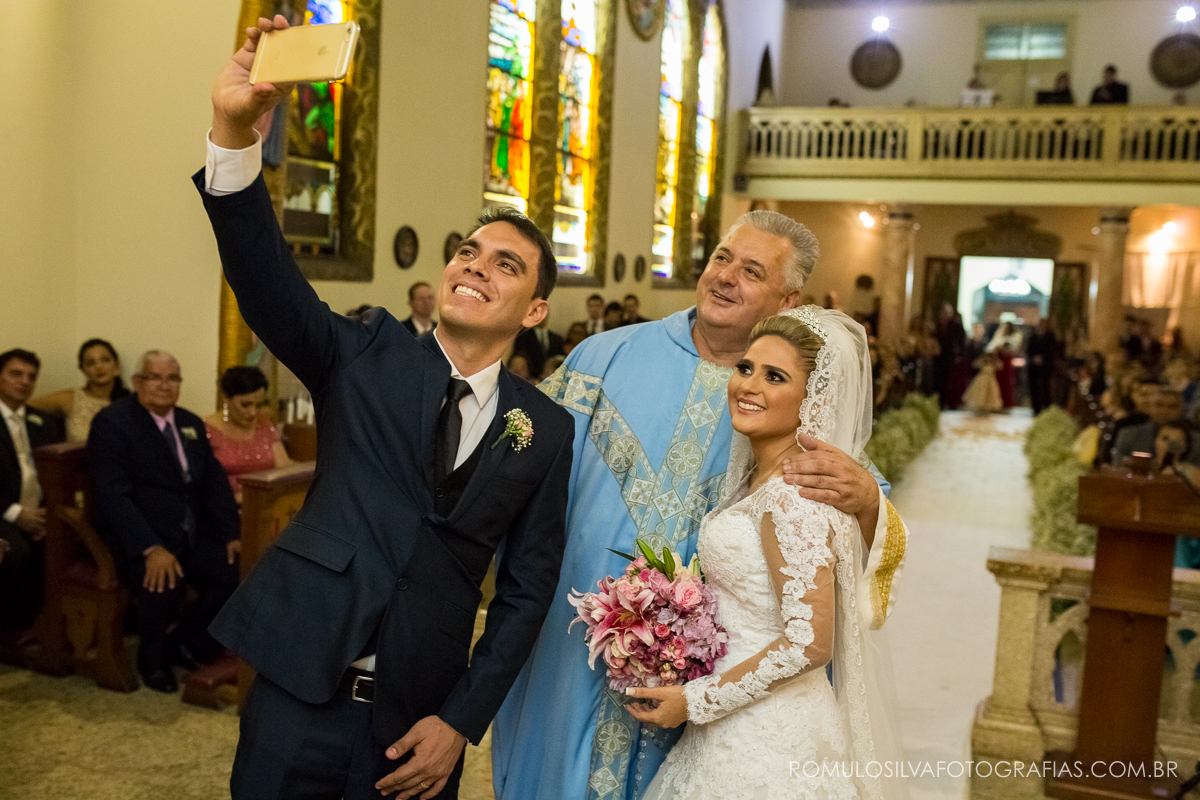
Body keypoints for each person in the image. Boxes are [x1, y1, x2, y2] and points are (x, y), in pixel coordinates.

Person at [199, 17, 575, 798]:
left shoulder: (543, 429)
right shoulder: (365, 354)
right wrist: (233, 138)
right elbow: (266, 281)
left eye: (506, 265)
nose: (475, 267)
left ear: (535, 310)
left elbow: (525, 591)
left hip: (419, 721)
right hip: (300, 688)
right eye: (468, 251)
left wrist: (461, 721)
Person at [494, 211, 908, 800]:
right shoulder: (603, 357)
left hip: (716, 682)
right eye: (721, 258)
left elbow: (844, 538)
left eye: (752, 271)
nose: (726, 277)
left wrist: (867, 501)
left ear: (789, 300)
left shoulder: (805, 410)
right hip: (573, 650)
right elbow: (516, 463)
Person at [626, 308, 904, 800]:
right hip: (736, 721)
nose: (749, 385)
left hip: (770, 738)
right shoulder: (755, 482)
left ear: (813, 401)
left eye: (774, 376)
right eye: (746, 368)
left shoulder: (791, 495)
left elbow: (810, 644)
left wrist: (695, 701)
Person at [87, 351, 241, 693]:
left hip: (190, 532)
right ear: (137, 382)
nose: (164, 385)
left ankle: (186, 642)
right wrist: (150, 547)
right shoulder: (113, 423)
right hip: (139, 536)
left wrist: (231, 532)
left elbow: (213, 481)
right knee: (163, 581)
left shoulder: (189, 423)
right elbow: (113, 495)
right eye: (155, 377)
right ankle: (152, 658)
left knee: (235, 572)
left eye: (172, 378)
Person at [0, 349, 63, 634]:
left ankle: (41, 626)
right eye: (16, 374)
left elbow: (57, 472)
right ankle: (12, 631)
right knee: (17, 552)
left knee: (62, 544)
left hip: (39, 511)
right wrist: (17, 514)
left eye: (31, 377)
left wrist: (46, 513)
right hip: (4, 512)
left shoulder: (43, 421)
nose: (24, 381)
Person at [204, 366, 293, 501]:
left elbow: (284, 466)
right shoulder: (206, 429)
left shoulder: (264, 425)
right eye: (245, 405)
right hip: (226, 505)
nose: (253, 413)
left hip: (265, 503)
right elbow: (199, 481)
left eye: (258, 405)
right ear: (226, 398)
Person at [30, 339, 131, 444]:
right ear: (83, 370)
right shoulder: (70, 398)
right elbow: (25, 406)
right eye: (91, 363)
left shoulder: (131, 401)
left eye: (105, 360)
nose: (99, 367)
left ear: (116, 364)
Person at [1112, 388, 1200, 467]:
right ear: (1150, 407)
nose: (1164, 411)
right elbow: (1117, 467)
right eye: (1159, 405)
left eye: (1172, 406)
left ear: (1182, 410)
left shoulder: (1196, 441)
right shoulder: (1128, 435)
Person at [1026, 318, 1058, 415]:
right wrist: (1034, 358)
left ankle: (1046, 409)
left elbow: (1052, 351)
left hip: (1045, 368)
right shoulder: (1033, 337)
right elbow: (1028, 350)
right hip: (1034, 368)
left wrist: (1043, 358)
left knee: (1045, 389)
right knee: (1034, 389)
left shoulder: (1050, 337)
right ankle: (1036, 409)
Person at [987, 321, 1021, 409]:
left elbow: (1012, 350)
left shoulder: (1014, 337)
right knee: (998, 383)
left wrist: (1002, 348)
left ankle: (1006, 403)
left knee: (1007, 383)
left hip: (1006, 363)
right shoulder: (998, 335)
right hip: (999, 363)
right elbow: (991, 347)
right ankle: (997, 403)